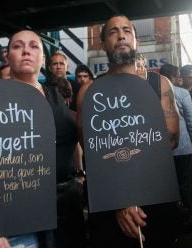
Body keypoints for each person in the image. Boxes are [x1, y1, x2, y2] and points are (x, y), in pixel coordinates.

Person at [76, 15, 180, 248]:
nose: (121, 35)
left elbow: (170, 140)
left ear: (136, 41)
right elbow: (93, 154)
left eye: (126, 31)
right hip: (110, 204)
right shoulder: (89, 92)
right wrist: (121, 200)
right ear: (102, 43)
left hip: (156, 194)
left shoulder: (159, 84)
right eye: (113, 31)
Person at [0, 30, 86, 248]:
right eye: (18, 46)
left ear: (43, 60)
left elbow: (70, 141)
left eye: (34, 46)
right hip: (18, 214)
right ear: (7, 57)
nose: (26, 50)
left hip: (66, 210)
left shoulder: (55, 95)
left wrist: (80, 173)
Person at [159, 63, 192, 232]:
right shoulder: (183, 93)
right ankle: (187, 221)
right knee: (184, 186)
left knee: (166, 188)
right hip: (183, 148)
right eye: (178, 75)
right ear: (173, 76)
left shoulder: (153, 93)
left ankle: (170, 222)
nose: (180, 78)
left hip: (161, 150)